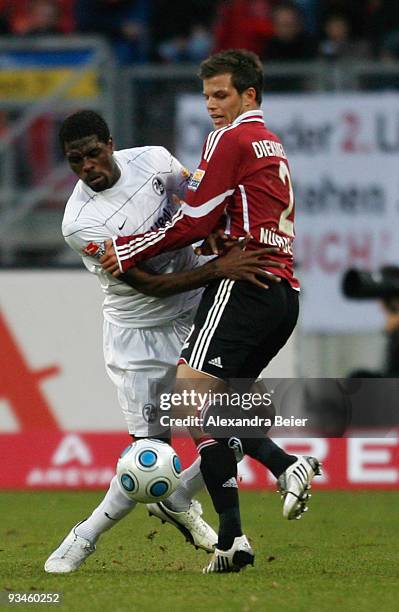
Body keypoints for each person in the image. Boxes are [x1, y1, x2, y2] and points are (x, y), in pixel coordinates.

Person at [100, 49, 321, 574]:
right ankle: (263, 498)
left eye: (221, 95)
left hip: (241, 287)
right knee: (219, 414)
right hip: (281, 294)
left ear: (249, 95)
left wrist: (128, 247)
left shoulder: (232, 136)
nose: (212, 107)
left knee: (187, 406)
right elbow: (225, 211)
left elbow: (196, 219)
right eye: (206, 97)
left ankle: (241, 526)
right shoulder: (270, 143)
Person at [44, 109, 281, 573]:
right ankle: (87, 535)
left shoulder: (154, 161)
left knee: (231, 424)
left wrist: (215, 237)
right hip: (139, 335)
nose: (88, 166)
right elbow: (147, 285)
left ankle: (180, 502)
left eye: (93, 153)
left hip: (196, 313)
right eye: (76, 161)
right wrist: (217, 267)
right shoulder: (80, 223)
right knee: (150, 456)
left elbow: (198, 199)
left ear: (110, 142)